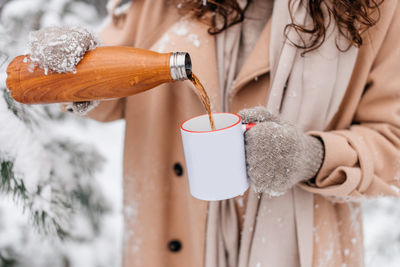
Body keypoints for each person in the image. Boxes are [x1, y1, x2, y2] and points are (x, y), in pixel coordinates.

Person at [84, 0, 400, 266]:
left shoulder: (376, 9)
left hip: (299, 249)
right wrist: (73, 65)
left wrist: (311, 156)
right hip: (172, 240)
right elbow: (102, 90)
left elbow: (392, 139)